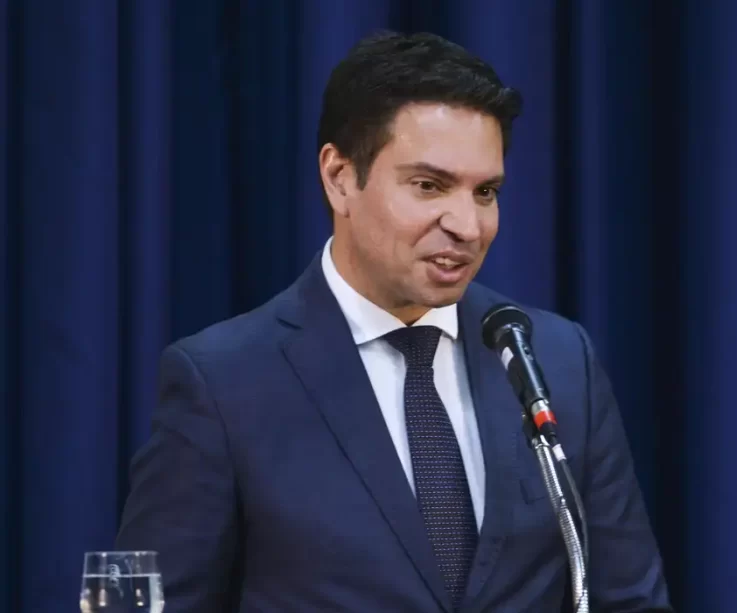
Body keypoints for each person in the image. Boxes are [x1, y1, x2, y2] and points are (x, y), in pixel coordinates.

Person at [115, 30, 672, 612]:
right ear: (339, 177)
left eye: (485, 191)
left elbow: (629, 600)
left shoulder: (554, 359)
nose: (467, 225)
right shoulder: (223, 383)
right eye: (429, 186)